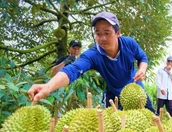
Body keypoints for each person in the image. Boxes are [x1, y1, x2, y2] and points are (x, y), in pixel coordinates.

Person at [28, 11, 156, 114]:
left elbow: (142, 57)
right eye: (98, 33)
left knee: (151, 120)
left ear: (118, 33)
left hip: (137, 90)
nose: (102, 38)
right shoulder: (93, 54)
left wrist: (142, 69)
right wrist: (48, 86)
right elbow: (73, 70)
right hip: (114, 95)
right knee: (112, 130)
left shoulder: (129, 43)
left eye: (107, 33)